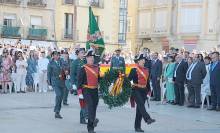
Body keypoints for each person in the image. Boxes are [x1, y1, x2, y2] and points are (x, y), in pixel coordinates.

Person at [128, 53, 155, 132]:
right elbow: (128, 80)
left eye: (144, 60)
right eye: (142, 60)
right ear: (138, 61)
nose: (144, 61)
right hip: (136, 90)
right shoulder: (134, 70)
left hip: (144, 91)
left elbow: (147, 82)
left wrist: (149, 91)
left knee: (139, 110)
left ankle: (137, 127)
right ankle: (148, 118)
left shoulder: (147, 70)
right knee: (140, 105)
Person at [77, 49, 99, 133]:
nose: (92, 59)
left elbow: (99, 79)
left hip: (95, 90)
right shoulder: (83, 69)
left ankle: (91, 128)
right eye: (90, 57)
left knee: (94, 108)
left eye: (92, 57)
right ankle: (92, 124)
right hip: (86, 90)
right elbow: (79, 81)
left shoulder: (97, 68)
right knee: (90, 107)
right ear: (86, 58)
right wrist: (79, 93)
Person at [70, 48, 88, 124]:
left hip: (85, 84)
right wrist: (73, 84)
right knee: (82, 100)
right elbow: (72, 74)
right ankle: (86, 116)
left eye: (84, 52)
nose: (83, 54)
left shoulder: (85, 61)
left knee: (84, 101)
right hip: (78, 84)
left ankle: (82, 118)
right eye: (81, 52)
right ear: (77, 54)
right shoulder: (75, 62)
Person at [47, 51, 65, 119]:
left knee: (60, 97)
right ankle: (56, 111)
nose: (57, 56)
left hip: (62, 81)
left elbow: (66, 66)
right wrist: (49, 83)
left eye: (58, 55)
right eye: (55, 55)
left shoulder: (62, 61)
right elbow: (48, 74)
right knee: (58, 95)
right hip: (54, 81)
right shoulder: (50, 63)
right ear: (53, 56)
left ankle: (58, 112)